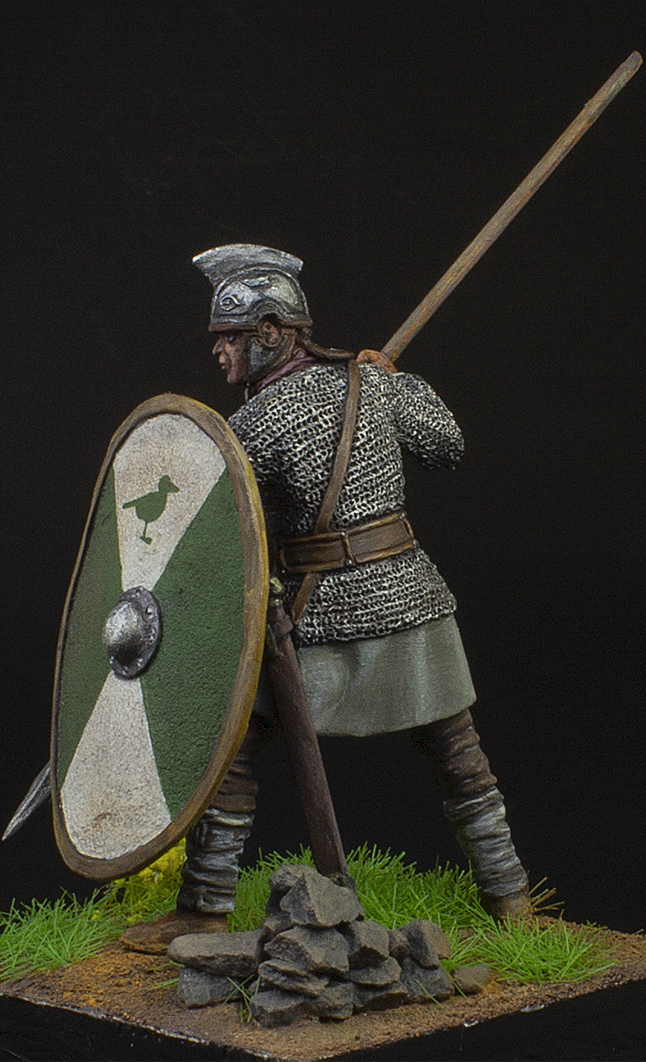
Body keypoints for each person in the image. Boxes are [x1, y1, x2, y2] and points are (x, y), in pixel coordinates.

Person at [122, 244, 530, 951]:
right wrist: (398, 384)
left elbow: (215, 539)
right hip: (407, 595)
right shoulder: (370, 386)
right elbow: (447, 443)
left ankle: (205, 907)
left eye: (230, 336)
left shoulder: (254, 425)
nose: (218, 351)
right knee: (458, 756)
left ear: (271, 332)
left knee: (232, 751)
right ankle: (510, 896)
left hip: (314, 614)